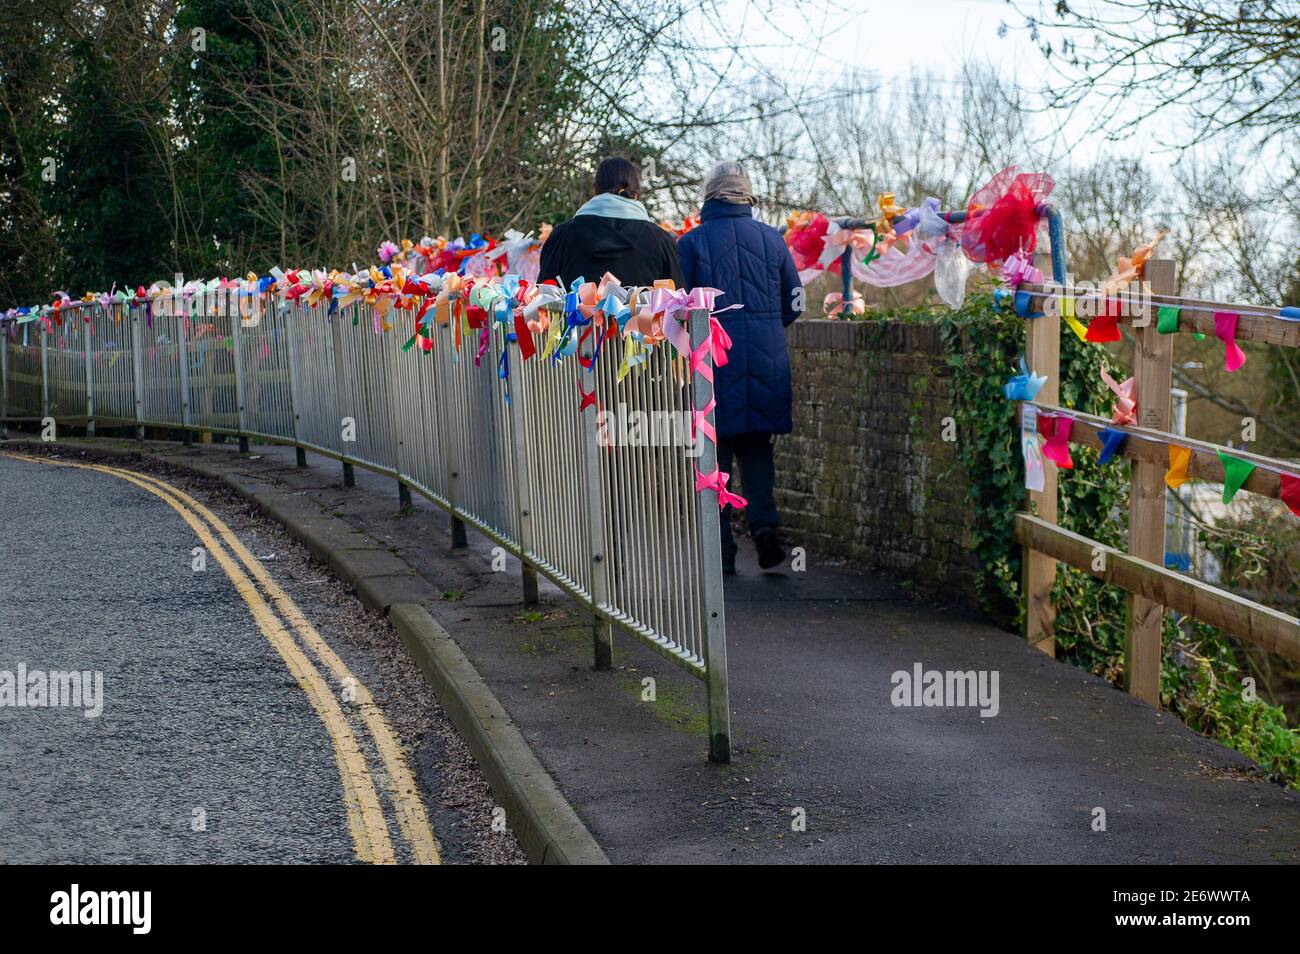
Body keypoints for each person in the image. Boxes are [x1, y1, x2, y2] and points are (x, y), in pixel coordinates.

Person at [676, 161, 802, 574]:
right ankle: (765, 529)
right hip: (768, 360)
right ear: (748, 197)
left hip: (714, 361)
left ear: (710, 197)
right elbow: (793, 300)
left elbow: (680, 309)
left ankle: (723, 548)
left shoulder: (692, 244)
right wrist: (766, 329)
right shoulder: (773, 240)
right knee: (758, 450)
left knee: (716, 455)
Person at [539, 157, 683, 288]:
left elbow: (542, 298)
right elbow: (677, 304)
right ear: (636, 193)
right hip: (644, 317)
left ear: (595, 188)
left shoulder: (561, 236)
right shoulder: (661, 241)